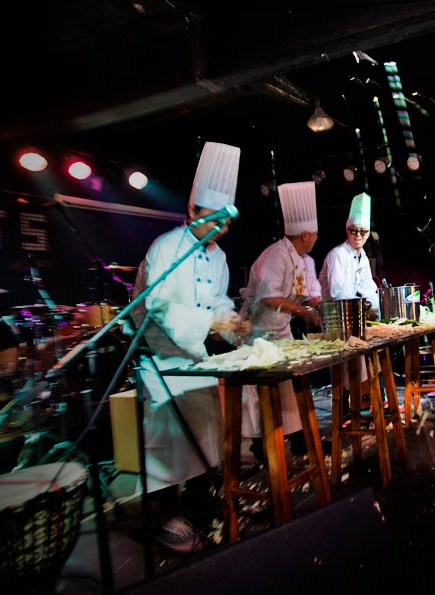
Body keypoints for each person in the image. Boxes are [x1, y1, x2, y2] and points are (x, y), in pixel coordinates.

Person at [132, 141, 251, 552]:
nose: (220, 230)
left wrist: (231, 320)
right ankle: (162, 518)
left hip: (195, 361)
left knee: (204, 440)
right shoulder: (166, 248)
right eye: (213, 220)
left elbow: (217, 300)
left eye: (226, 224)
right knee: (165, 447)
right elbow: (161, 306)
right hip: (162, 363)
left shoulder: (217, 257)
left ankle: (200, 509)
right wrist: (208, 321)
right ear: (192, 210)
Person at [239, 181, 322, 457]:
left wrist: (323, 309)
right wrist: (302, 312)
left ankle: (300, 442)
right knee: (264, 394)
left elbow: (312, 295)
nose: (317, 236)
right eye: (316, 232)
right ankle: (263, 446)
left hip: (282, 333)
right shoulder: (276, 256)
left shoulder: (305, 260)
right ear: (307, 233)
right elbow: (268, 298)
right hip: (258, 335)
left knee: (292, 386)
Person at [318, 192, 380, 402]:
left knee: (369, 359)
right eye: (354, 231)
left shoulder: (361, 256)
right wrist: (364, 307)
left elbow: (368, 288)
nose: (358, 235)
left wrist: (375, 310)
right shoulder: (338, 255)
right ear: (347, 230)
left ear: (368, 233)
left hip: (352, 322)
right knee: (351, 366)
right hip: (335, 321)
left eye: (362, 231)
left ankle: (367, 401)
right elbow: (339, 293)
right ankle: (350, 404)